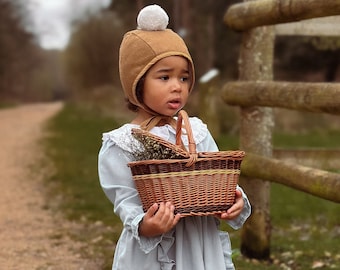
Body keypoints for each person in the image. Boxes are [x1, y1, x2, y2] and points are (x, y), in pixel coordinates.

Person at [98, 4, 251, 270]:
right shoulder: (123, 143)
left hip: (200, 244)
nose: (176, 87)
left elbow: (216, 178)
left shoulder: (197, 132)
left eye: (184, 78)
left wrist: (234, 199)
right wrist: (145, 224)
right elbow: (125, 201)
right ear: (137, 83)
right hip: (155, 250)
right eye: (164, 77)